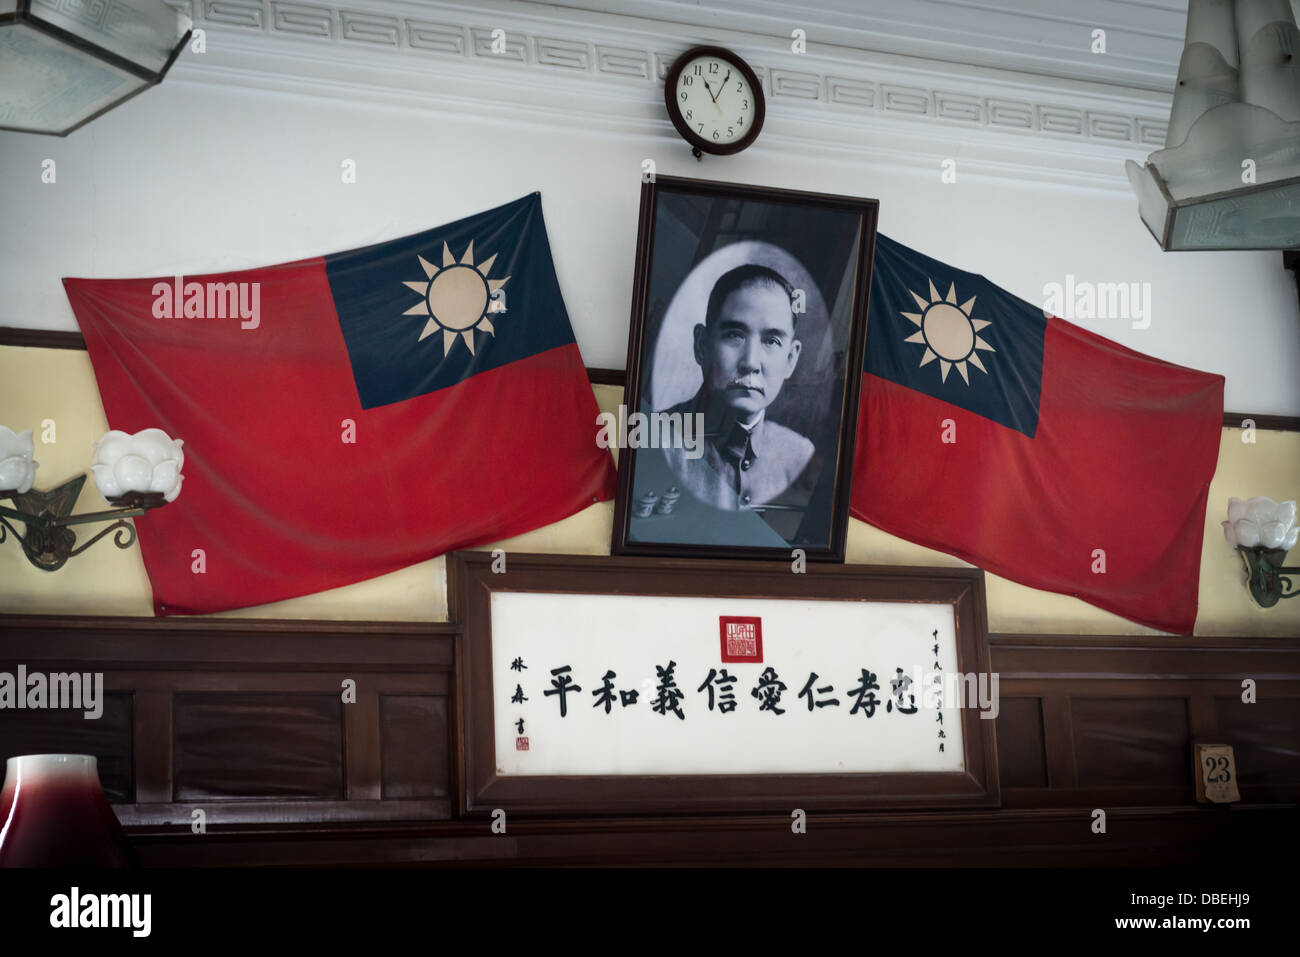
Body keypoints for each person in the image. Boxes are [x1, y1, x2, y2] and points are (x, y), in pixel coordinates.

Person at [659, 263, 818, 511]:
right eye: (735, 335)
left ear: (790, 360)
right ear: (702, 345)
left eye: (772, 341)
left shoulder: (798, 456)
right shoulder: (655, 437)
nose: (751, 362)